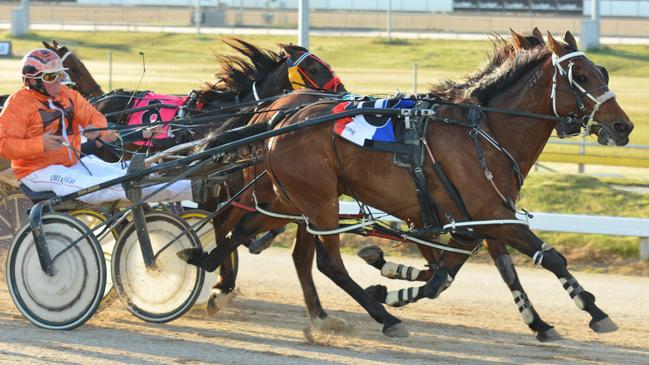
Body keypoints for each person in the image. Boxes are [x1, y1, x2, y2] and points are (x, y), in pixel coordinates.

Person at [0, 48, 191, 205]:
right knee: (103, 186)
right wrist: (40, 144)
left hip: (73, 162)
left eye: (59, 74)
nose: (58, 81)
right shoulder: (17, 104)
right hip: (37, 171)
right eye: (50, 77)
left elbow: (95, 116)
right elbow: (4, 145)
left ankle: (192, 188)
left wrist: (96, 128)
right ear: (31, 80)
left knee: (127, 174)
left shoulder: (67, 95)